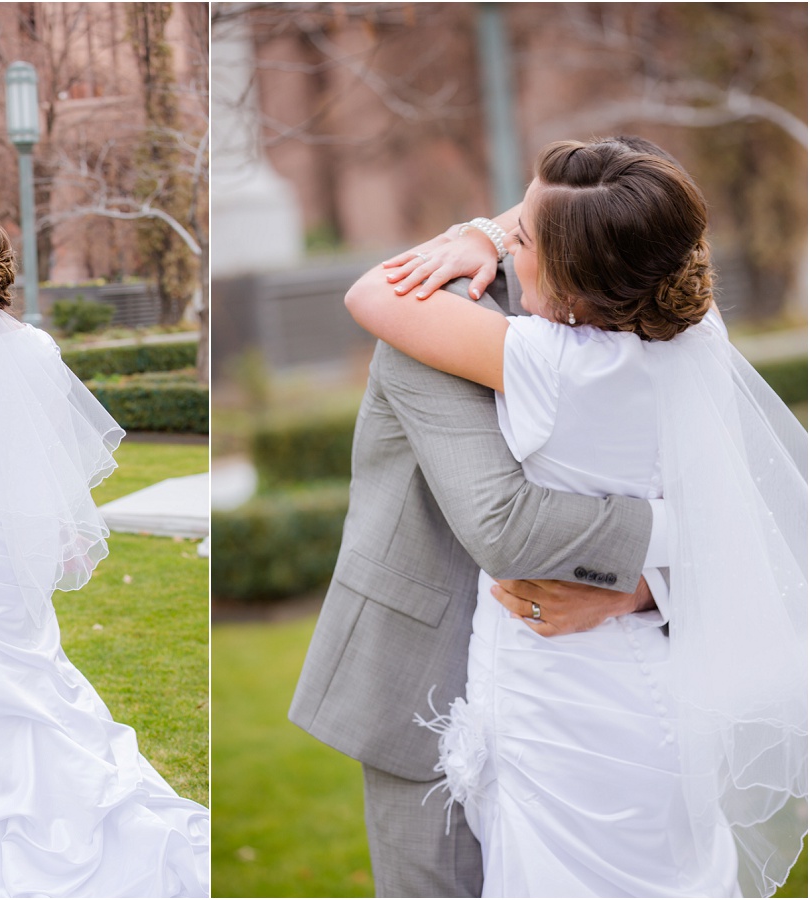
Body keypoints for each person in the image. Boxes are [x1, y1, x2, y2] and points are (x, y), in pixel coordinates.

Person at [344, 139, 806, 896]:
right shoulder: (696, 336)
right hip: (646, 683)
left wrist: (473, 235)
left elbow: (372, 294)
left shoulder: (551, 363)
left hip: (558, 700)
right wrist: (503, 232)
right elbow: (613, 224)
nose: (508, 241)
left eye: (523, 238)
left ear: (567, 282)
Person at [288, 139, 673, 897]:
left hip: (588, 689)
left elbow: (743, 509)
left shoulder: (655, 329)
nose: (506, 234)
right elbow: (500, 523)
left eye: (521, 228)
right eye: (514, 223)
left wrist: (642, 591)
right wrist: (483, 236)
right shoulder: (429, 319)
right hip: (423, 667)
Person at [0, 217, 210, 898]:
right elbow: (52, 452)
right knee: (28, 662)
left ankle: (1, 816)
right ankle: (50, 798)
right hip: (18, 537)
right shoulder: (40, 347)